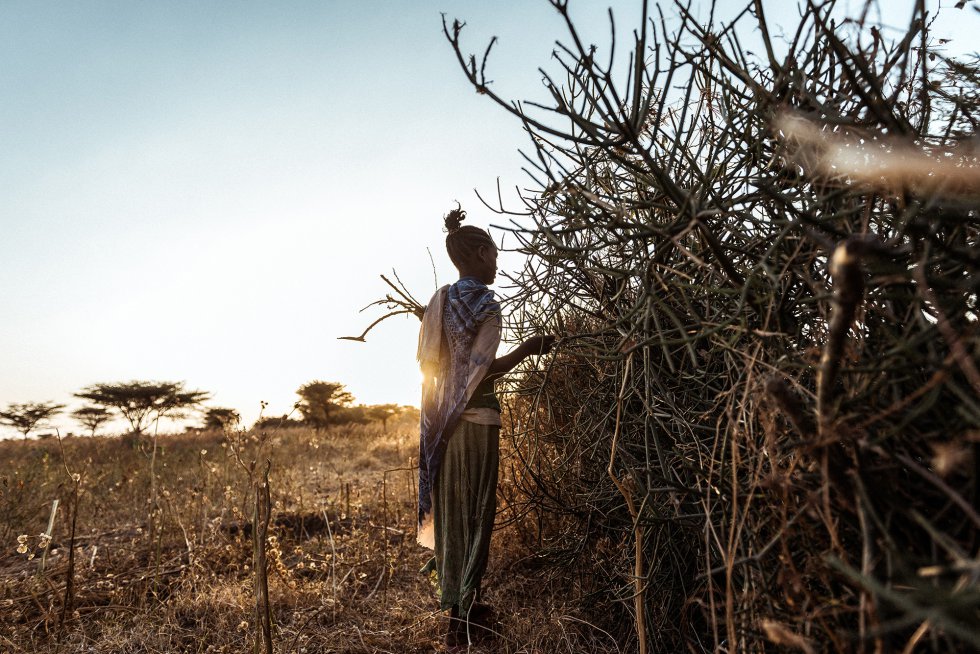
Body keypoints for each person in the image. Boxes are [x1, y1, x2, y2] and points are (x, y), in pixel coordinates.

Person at [417, 206, 555, 650]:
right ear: (479, 253)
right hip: (478, 422)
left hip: (443, 428)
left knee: (453, 517)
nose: (496, 264)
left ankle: (462, 606)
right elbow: (483, 370)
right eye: (493, 255)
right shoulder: (485, 303)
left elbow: (434, 367)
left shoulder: (440, 300)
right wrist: (530, 350)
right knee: (477, 516)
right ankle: (461, 622)